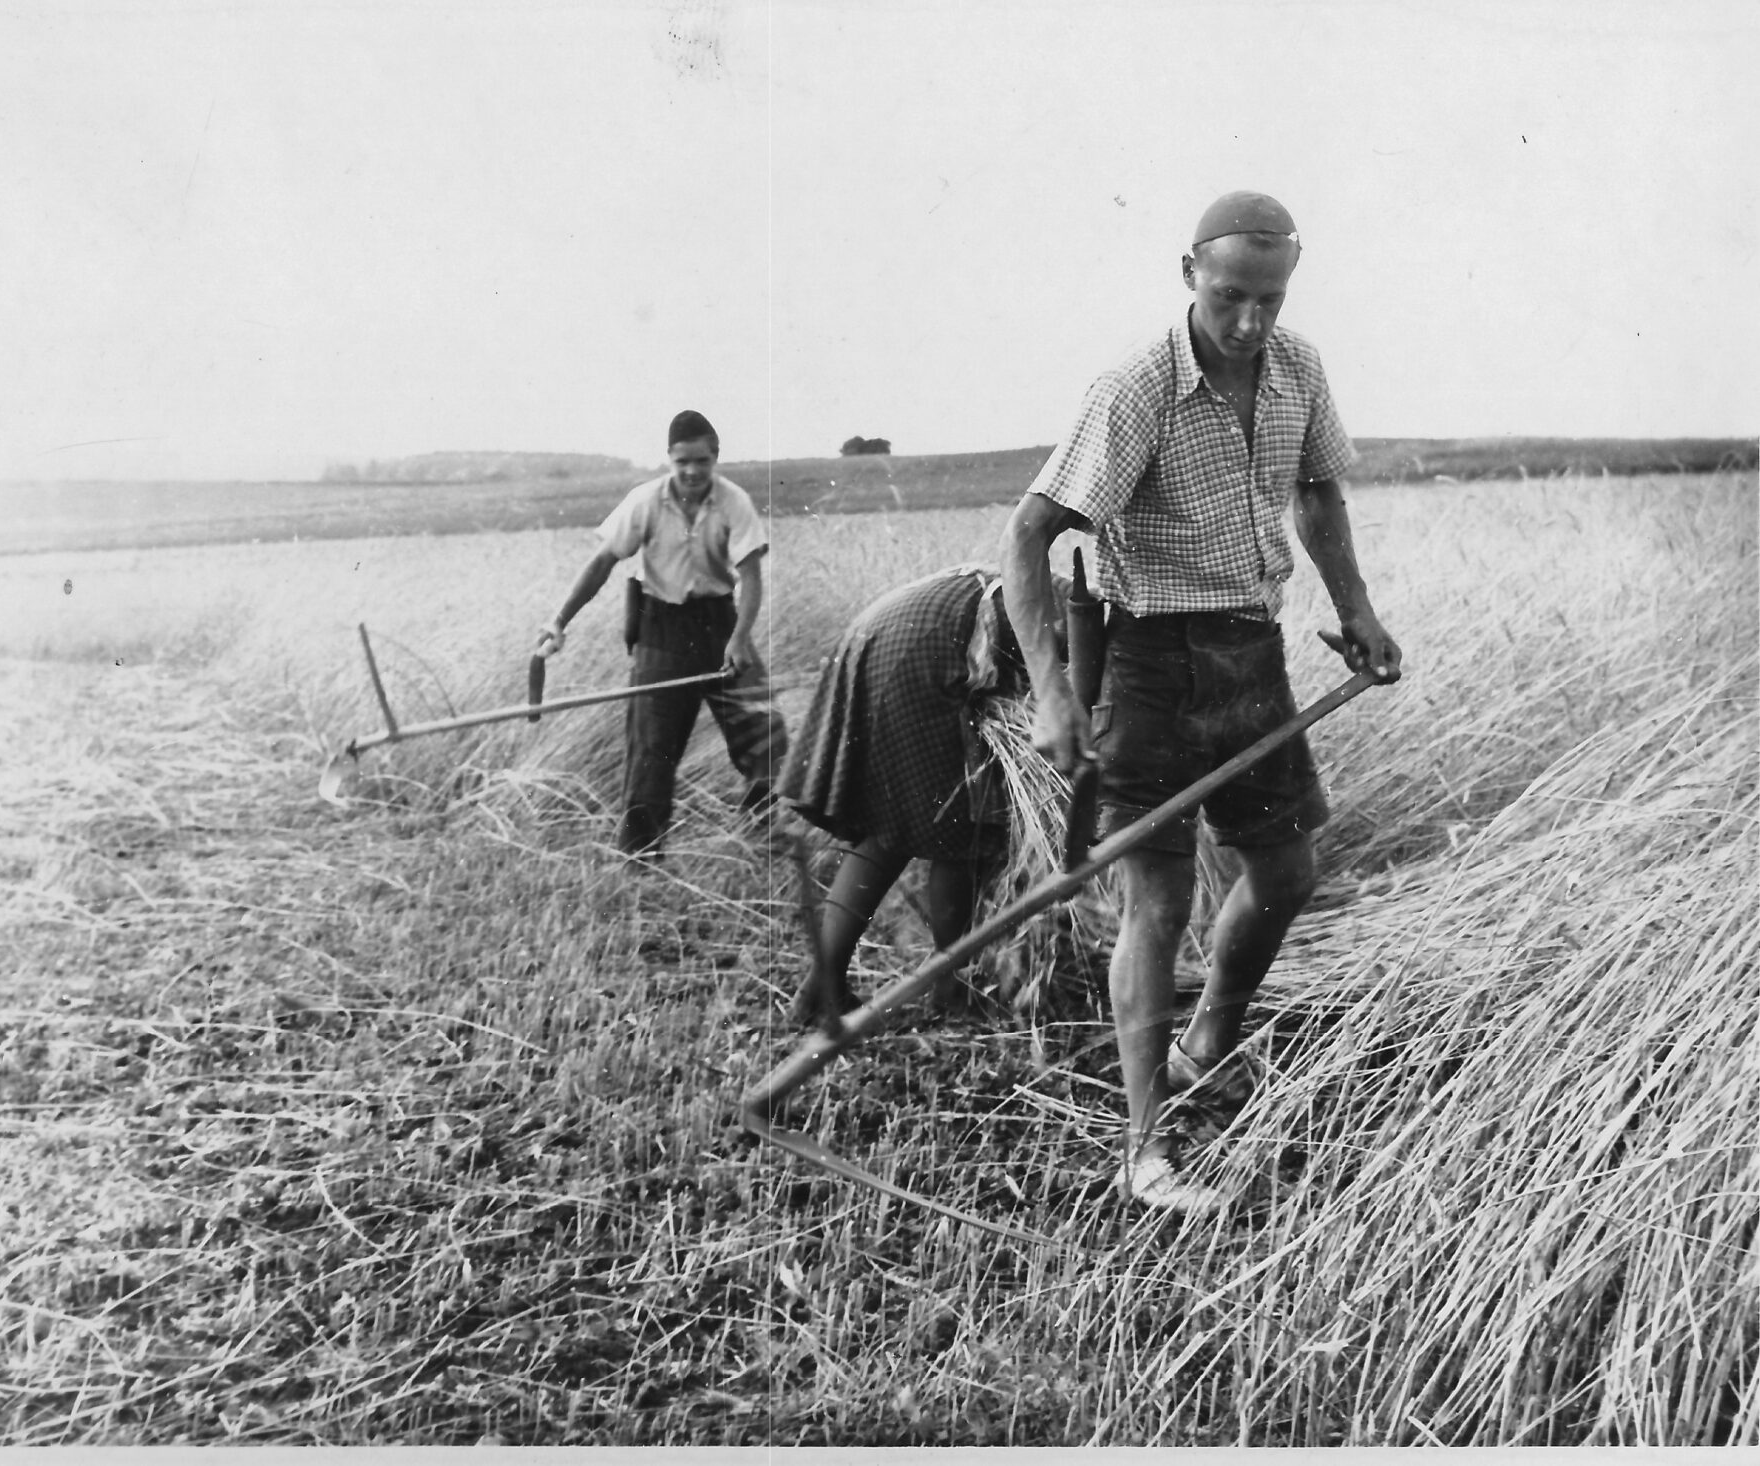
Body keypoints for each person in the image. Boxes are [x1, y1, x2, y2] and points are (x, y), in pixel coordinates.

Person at [998, 191, 1403, 1216]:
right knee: (1160, 900)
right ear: (1190, 272)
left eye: (1270, 298)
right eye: (1231, 295)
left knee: (1287, 864)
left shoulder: (1300, 367)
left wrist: (1355, 610)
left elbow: (1318, 490)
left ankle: (1207, 1040)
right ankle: (1145, 1152)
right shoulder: (1135, 389)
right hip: (1148, 666)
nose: (1250, 321)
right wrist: (1053, 693)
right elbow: (1027, 535)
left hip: (1249, 654)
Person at [779, 565, 1049, 1030]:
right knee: (955, 830)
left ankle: (820, 989)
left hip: (890, 636)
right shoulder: (1092, 623)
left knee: (893, 830)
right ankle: (951, 990)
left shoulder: (1073, 602)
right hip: (917, 653)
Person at [537, 410, 787, 856]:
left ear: (716, 457)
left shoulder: (734, 502)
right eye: (682, 461)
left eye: (702, 461)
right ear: (669, 459)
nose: (692, 471)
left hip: (721, 627)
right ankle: (641, 861)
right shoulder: (644, 501)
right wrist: (558, 621)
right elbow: (601, 564)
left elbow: (750, 577)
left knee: (767, 736)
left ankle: (760, 838)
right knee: (652, 751)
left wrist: (739, 638)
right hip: (662, 630)